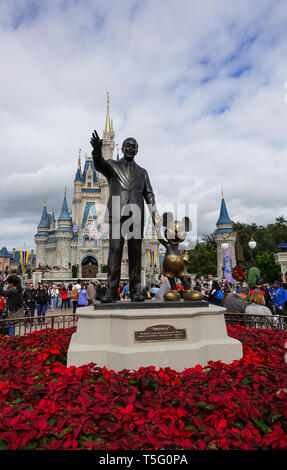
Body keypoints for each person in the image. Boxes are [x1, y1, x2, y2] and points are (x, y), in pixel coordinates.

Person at [91, 130, 158, 302]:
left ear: (137, 151)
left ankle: (135, 290)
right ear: (122, 147)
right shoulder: (113, 166)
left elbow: (149, 193)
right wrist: (97, 151)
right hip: (116, 214)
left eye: (133, 147)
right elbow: (99, 165)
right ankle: (111, 291)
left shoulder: (142, 172)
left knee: (136, 253)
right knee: (114, 251)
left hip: (136, 215)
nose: (130, 148)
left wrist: (154, 213)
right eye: (127, 145)